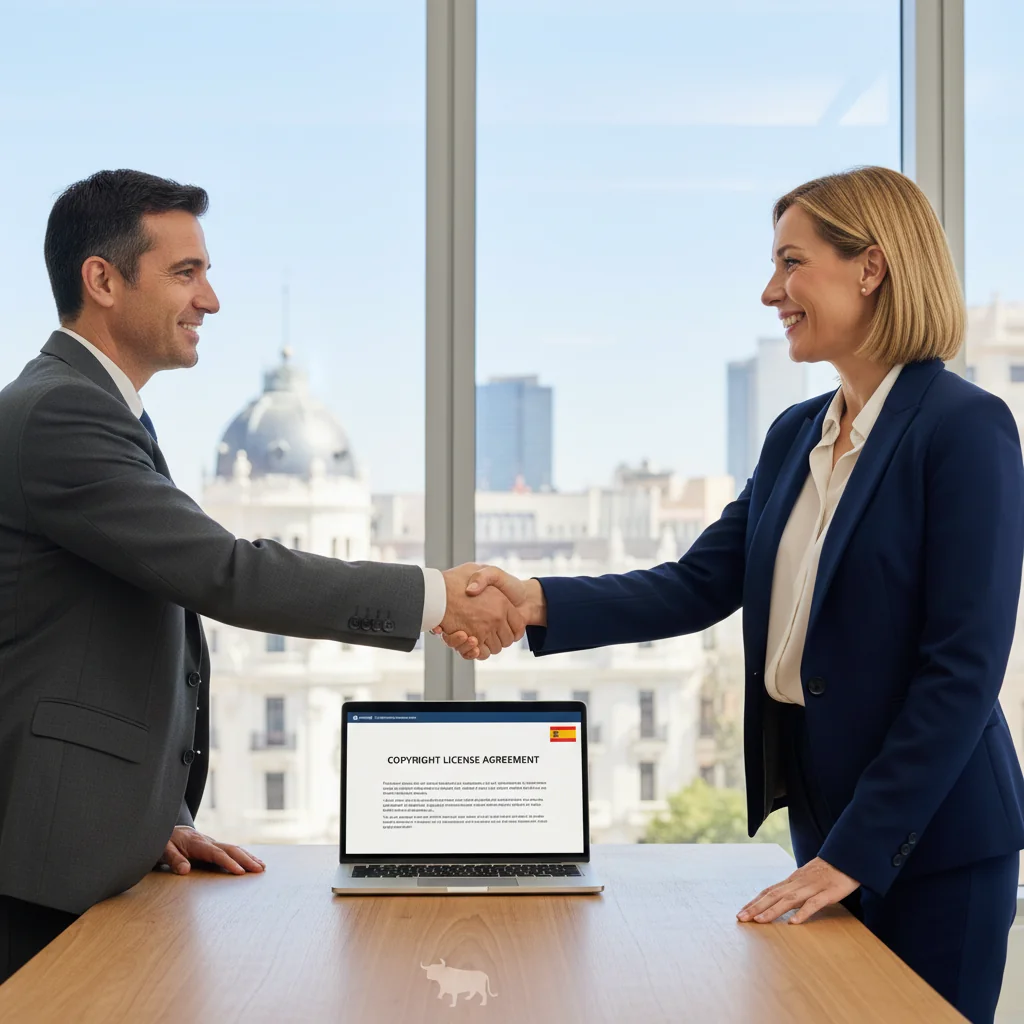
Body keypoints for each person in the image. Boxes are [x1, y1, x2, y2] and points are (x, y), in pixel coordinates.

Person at [440, 166, 1024, 1024]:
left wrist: (855, 853)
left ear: (872, 268)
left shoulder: (966, 429)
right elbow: (698, 582)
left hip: (933, 840)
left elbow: (961, 672)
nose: (770, 291)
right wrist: (532, 601)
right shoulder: (798, 434)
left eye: (792, 262)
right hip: (826, 823)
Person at [0, 169, 523, 983]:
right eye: (186, 273)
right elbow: (223, 572)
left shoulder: (94, 408)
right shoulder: (62, 414)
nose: (210, 300)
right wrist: (436, 596)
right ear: (101, 279)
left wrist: (143, 821)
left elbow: (96, 637)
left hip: (85, 851)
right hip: (38, 872)